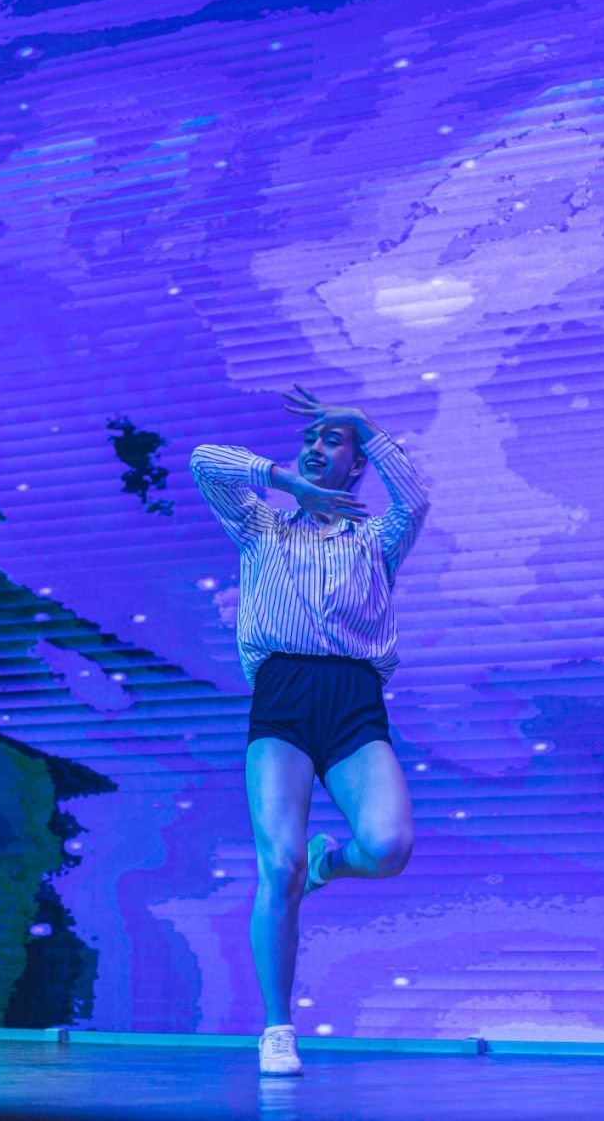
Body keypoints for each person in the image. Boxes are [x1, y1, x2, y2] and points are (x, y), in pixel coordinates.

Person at [190, 384, 430, 1077]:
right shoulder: (261, 525)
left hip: (354, 701)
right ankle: (276, 1027)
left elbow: (415, 499)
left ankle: (332, 862)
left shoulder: (377, 538)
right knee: (280, 865)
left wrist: (364, 422)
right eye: (310, 438)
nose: (316, 446)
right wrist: (283, 479)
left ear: (357, 463)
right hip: (283, 700)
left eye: (334, 439)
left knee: (388, 847)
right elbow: (205, 461)